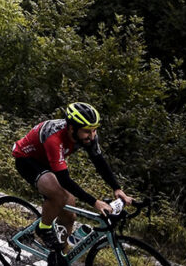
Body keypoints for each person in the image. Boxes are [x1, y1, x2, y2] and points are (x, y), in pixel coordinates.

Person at [11, 102, 132, 253]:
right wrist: (95, 202)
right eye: (87, 131)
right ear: (72, 128)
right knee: (59, 195)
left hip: (48, 161)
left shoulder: (87, 136)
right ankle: (43, 228)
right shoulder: (53, 137)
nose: (92, 135)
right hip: (27, 159)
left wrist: (117, 188)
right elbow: (64, 180)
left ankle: (61, 254)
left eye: (94, 130)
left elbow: (99, 162)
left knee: (69, 216)